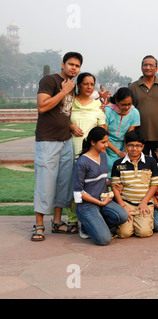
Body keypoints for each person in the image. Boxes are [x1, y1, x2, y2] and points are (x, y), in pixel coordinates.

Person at [31, 52, 83, 242]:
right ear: (62, 64)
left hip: (65, 140)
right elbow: (42, 107)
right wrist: (63, 90)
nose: (74, 68)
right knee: (45, 183)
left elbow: (64, 113)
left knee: (63, 183)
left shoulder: (72, 86)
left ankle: (57, 221)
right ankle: (38, 224)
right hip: (47, 140)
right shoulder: (50, 81)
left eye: (77, 66)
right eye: (71, 64)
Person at [73, 127, 129, 246]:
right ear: (93, 142)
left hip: (103, 200)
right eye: (103, 142)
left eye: (107, 142)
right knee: (104, 239)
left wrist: (114, 184)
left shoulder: (103, 156)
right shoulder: (82, 163)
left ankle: (94, 224)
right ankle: (85, 226)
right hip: (87, 205)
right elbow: (78, 193)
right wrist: (99, 203)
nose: (106, 145)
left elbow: (101, 180)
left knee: (123, 216)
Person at [111, 130, 158, 238]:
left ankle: (137, 222)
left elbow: (155, 184)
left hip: (144, 203)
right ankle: (128, 224)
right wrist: (122, 205)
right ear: (125, 146)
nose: (134, 149)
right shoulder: (118, 164)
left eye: (138, 146)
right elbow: (115, 187)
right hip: (126, 203)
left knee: (143, 233)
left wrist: (144, 202)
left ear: (143, 147)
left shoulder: (151, 162)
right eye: (131, 145)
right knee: (124, 233)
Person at [129, 55, 158, 157]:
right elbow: (127, 110)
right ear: (141, 67)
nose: (148, 68)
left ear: (156, 68)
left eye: (151, 65)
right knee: (142, 166)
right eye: (145, 65)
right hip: (139, 137)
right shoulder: (133, 87)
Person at [104, 87, 141, 176]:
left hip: (123, 146)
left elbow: (128, 136)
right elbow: (103, 136)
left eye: (129, 104)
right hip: (106, 145)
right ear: (116, 101)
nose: (127, 107)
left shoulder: (134, 112)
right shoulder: (108, 111)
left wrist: (125, 153)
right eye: (124, 105)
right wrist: (117, 151)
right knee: (107, 168)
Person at [70, 73, 106, 159]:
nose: (89, 87)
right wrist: (70, 126)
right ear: (78, 85)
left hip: (90, 151)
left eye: (92, 84)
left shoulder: (98, 105)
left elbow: (101, 131)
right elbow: (60, 120)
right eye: (86, 84)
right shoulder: (69, 103)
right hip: (69, 148)